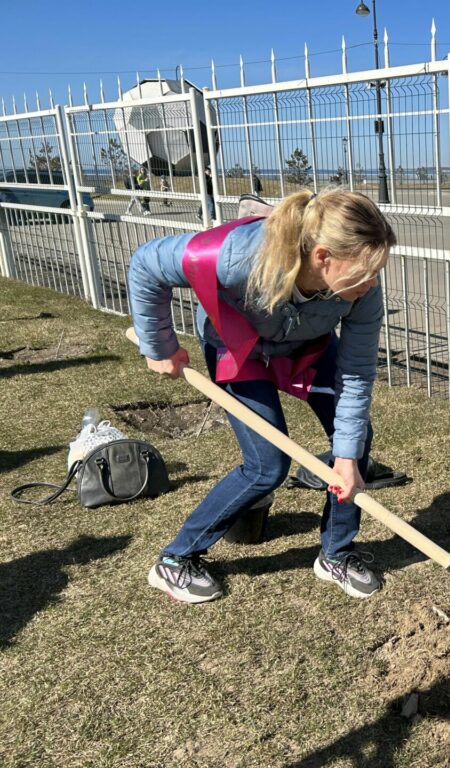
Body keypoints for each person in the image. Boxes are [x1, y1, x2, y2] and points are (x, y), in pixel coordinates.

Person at [128, 188, 397, 603]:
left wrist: (346, 458)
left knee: (355, 446)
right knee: (267, 466)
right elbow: (148, 263)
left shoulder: (363, 291)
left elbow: (356, 373)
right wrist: (159, 346)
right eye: (365, 270)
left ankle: (336, 553)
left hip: (307, 346)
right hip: (237, 348)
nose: (373, 281)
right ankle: (176, 560)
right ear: (323, 257)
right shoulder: (237, 257)